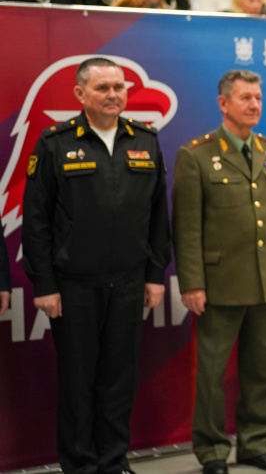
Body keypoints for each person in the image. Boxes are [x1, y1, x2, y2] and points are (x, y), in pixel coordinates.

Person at [21, 57, 171, 474]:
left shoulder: (146, 140)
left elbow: (158, 215)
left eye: (119, 87)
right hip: (73, 286)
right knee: (77, 381)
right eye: (103, 88)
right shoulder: (54, 142)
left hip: (128, 282)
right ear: (80, 94)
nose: (113, 95)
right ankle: (80, 465)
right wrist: (44, 283)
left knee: (119, 378)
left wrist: (155, 275)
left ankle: (113, 460)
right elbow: (36, 221)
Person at [172, 70, 266, 474]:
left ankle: (255, 444)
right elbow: (187, 228)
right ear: (223, 103)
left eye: (258, 97)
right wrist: (192, 282)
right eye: (245, 97)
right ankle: (211, 450)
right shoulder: (196, 154)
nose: (254, 105)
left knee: (261, 370)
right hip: (219, 284)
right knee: (211, 374)